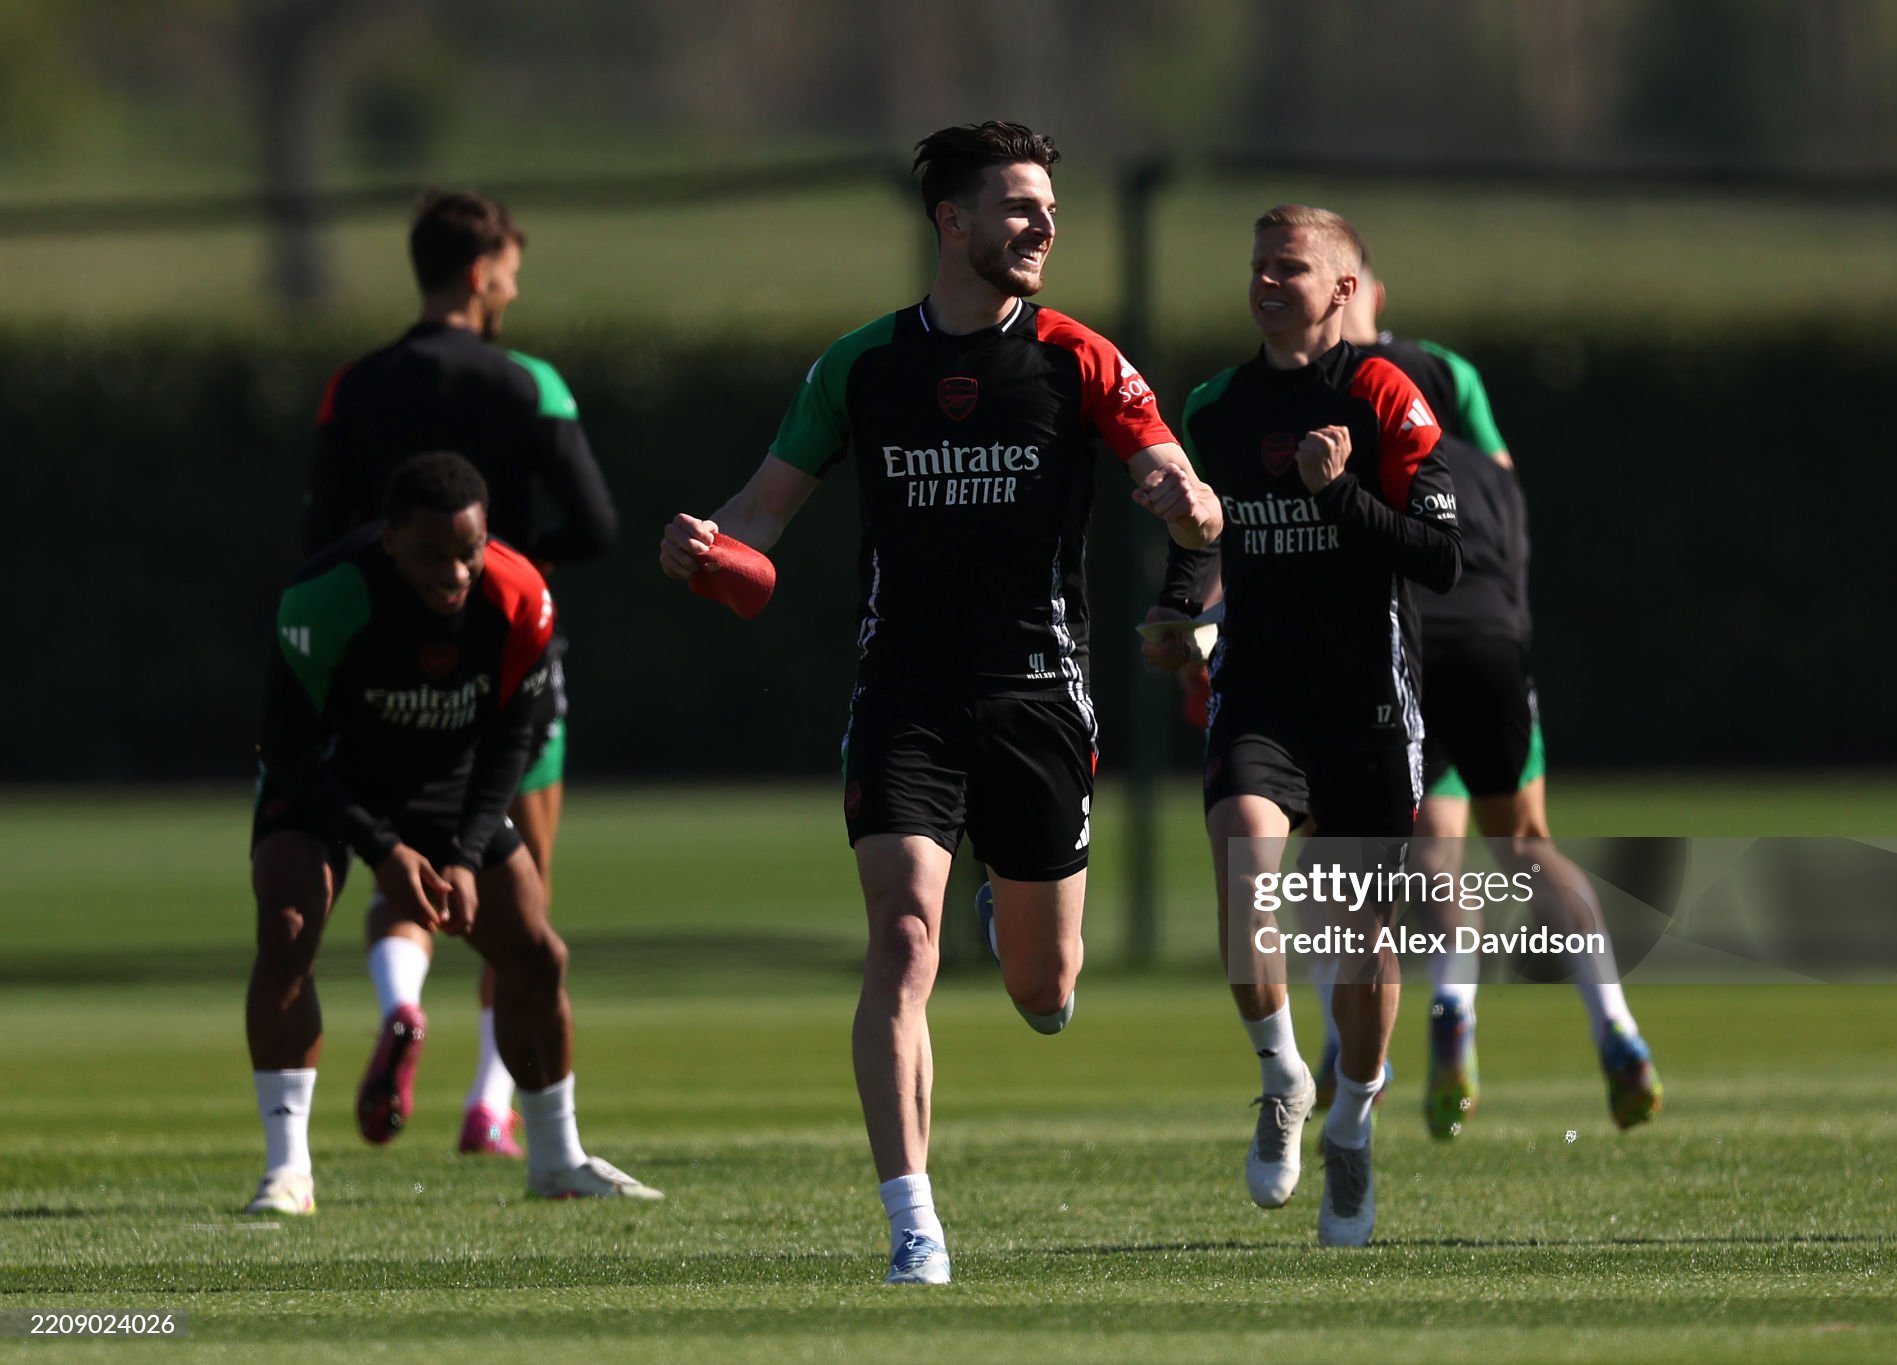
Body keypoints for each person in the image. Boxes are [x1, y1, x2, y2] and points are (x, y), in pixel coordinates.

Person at [660, 121, 1220, 1284]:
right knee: (901, 937)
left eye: (1050, 208)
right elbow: (758, 519)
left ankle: (1007, 917)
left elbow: (1181, 487)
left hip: (1037, 696)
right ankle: (912, 1224)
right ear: (950, 221)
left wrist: (1188, 501)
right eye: (1019, 206)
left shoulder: (1077, 359)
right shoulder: (859, 367)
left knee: (1042, 988)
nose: (1043, 225)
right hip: (903, 694)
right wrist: (703, 547)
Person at [1144, 205, 1460, 1246]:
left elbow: (1439, 557)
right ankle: (1283, 1075)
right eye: (1257, 266)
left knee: (1365, 943)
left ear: (1342, 289)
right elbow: (1201, 538)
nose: (1267, 283)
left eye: (1290, 267)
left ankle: (1353, 1124)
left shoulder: (1385, 395)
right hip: (1260, 694)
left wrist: (1336, 495)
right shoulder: (1216, 405)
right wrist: (1176, 611)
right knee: (1246, 862)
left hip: (1368, 702)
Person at [243, 452, 658, 1215]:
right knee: (287, 929)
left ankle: (556, 1158)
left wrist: (464, 856)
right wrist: (383, 851)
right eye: (432, 555)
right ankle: (288, 1170)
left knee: (537, 954)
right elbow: (289, 749)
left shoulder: (520, 596)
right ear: (390, 539)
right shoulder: (324, 598)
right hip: (327, 774)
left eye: (469, 552)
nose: (456, 572)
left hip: (443, 775)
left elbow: (512, 740)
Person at [306, 189, 618, 1159]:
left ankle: (402, 1006)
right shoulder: (530, 383)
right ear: (480, 273)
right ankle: (490, 1104)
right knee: (519, 902)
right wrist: (517, 560)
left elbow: (319, 541)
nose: (512, 294)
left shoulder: (353, 386)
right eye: (510, 276)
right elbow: (597, 523)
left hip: (382, 670)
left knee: (399, 860)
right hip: (509, 654)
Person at [1325, 283, 1663, 1138]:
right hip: (1493, 643)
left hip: (1407, 649)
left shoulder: (1335, 416)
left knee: (1421, 855)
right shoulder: (1476, 443)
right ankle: (1616, 1024)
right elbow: (1509, 524)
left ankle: (1444, 1007)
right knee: (1527, 845)